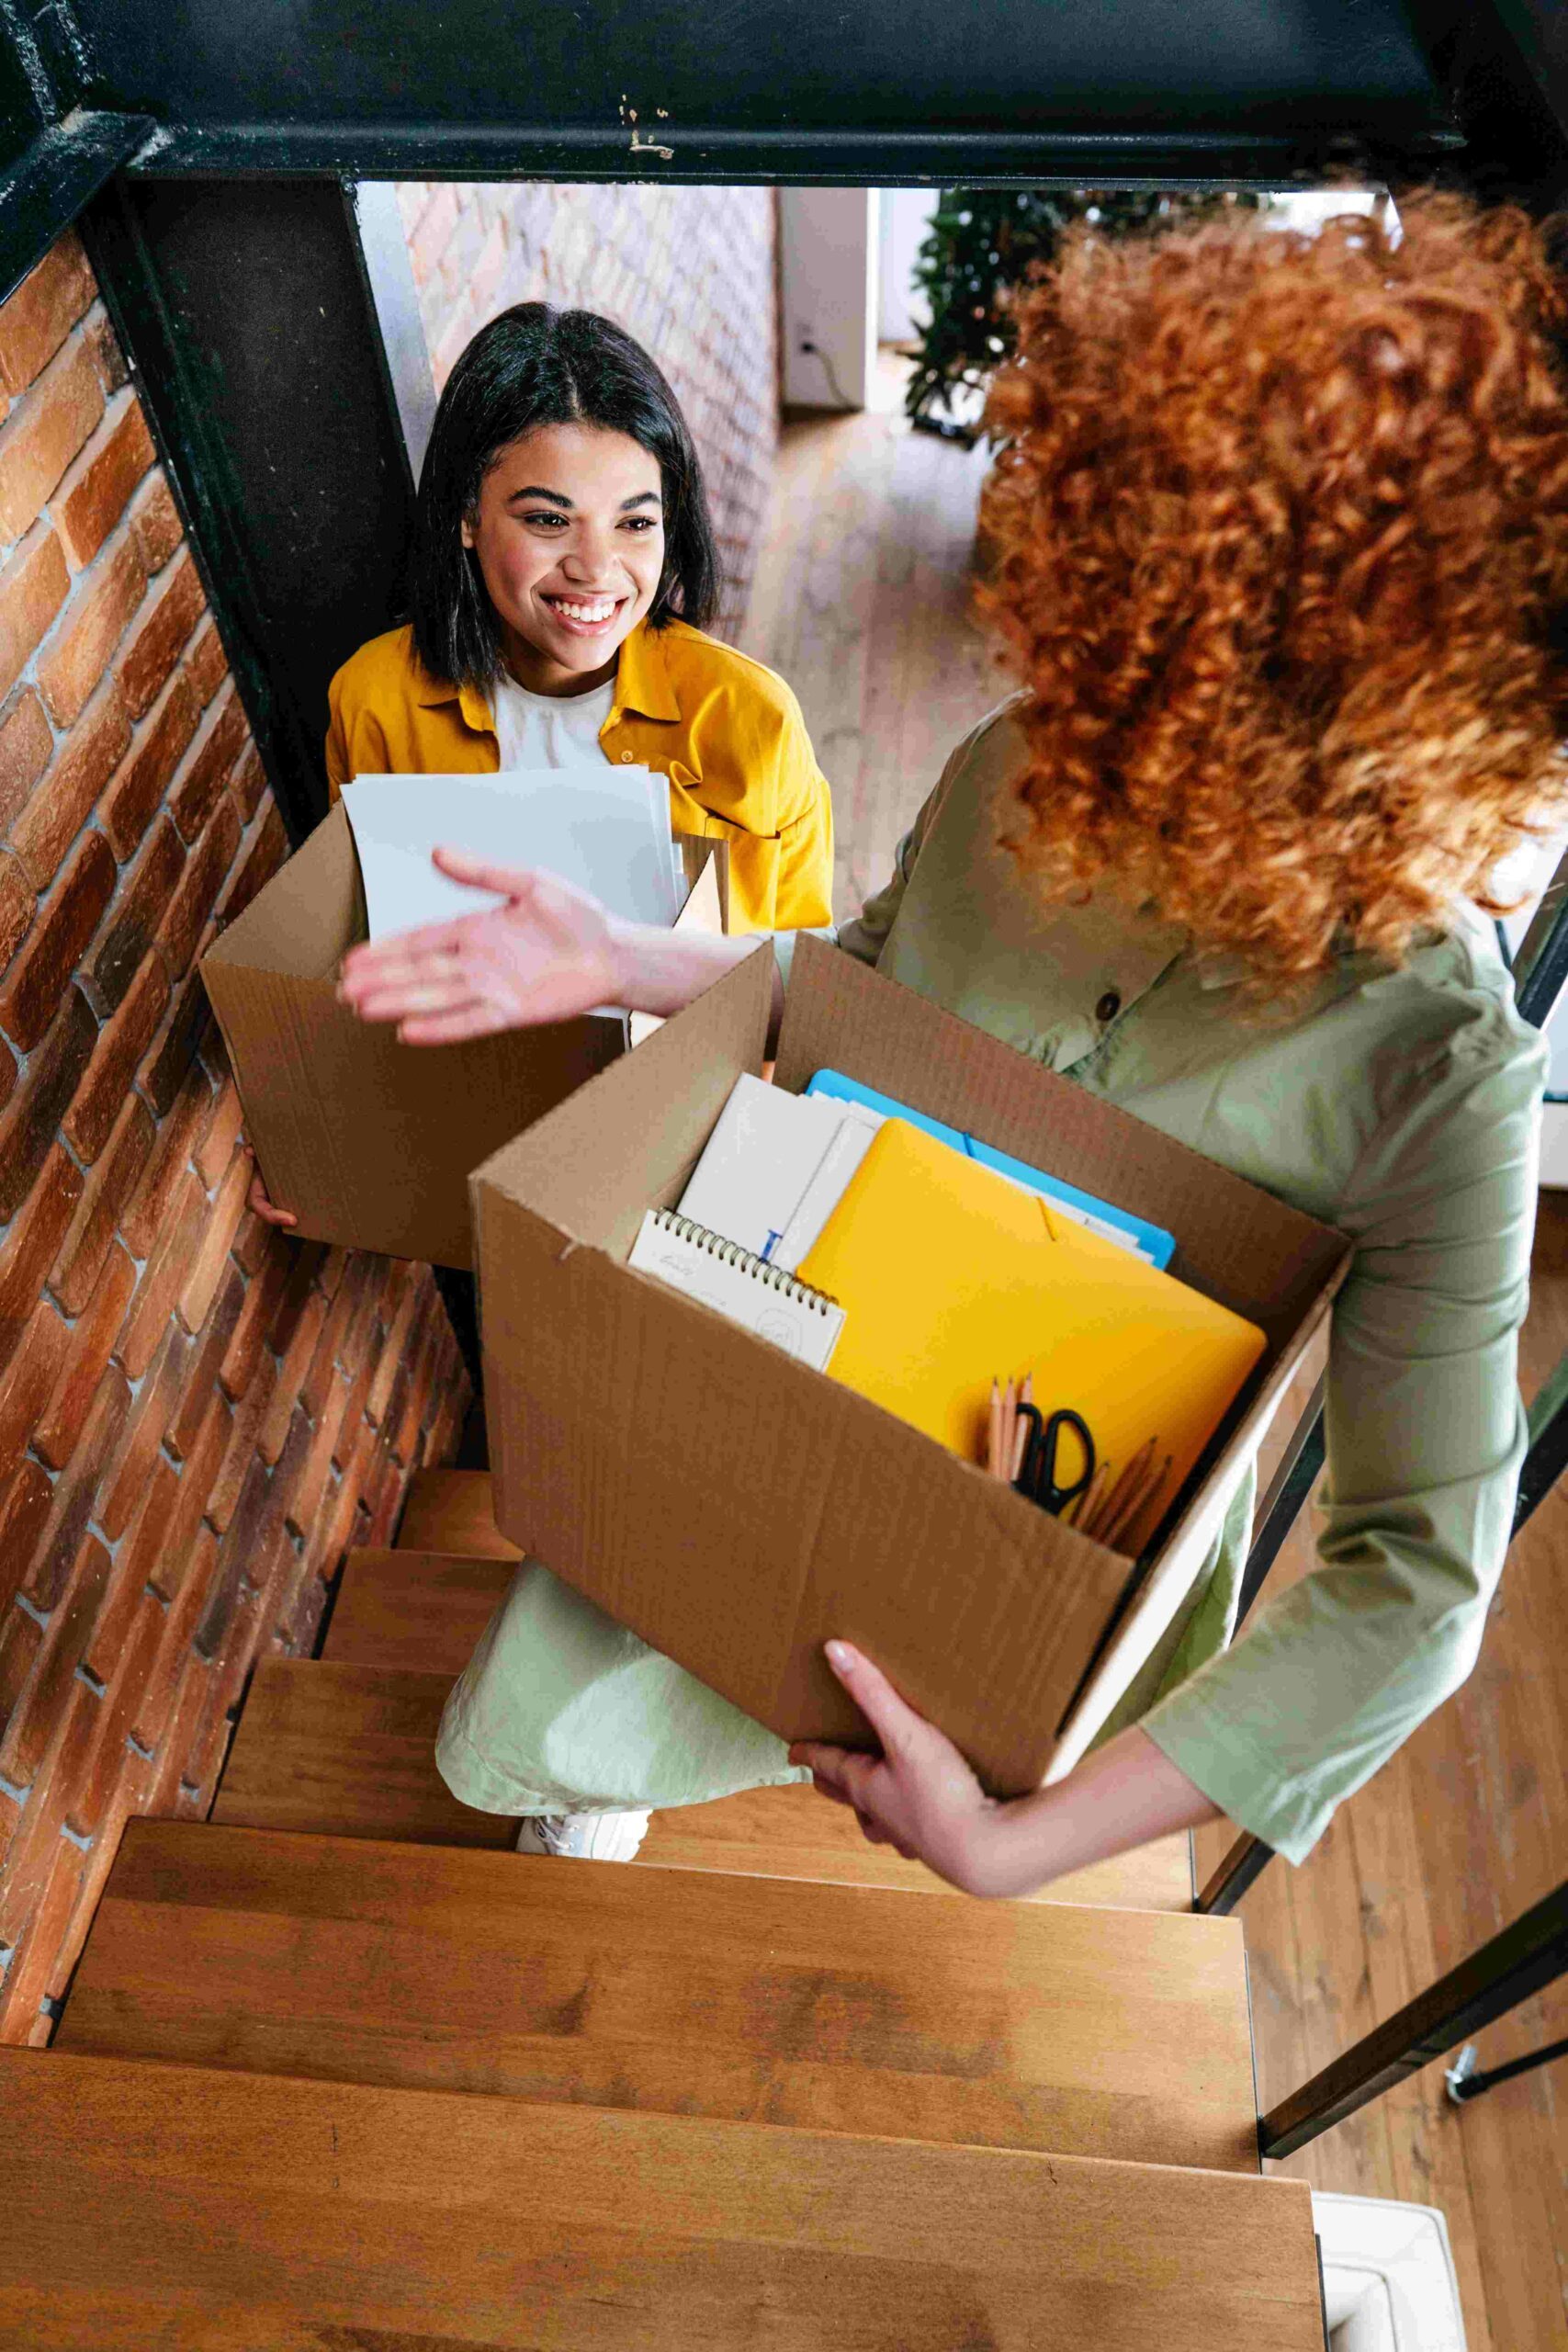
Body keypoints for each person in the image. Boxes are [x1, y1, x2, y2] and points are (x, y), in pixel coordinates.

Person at [338, 193, 1568, 1892]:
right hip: (784, 1341)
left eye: (1161, 679)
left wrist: (1018, 1844)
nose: (1072, 701)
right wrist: (621, 949)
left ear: (1385, 732)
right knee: (643, 1652)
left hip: (1042, 1517)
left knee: (889, 1689)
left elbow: (1414, 1582)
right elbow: (853, 979)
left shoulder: (1438, 1081)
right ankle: (607, 1771)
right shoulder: (1029, 759)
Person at [249, 302, 835, 1384]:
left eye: (637, 522)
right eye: (549, 518)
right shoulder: (377, 700)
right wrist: (322, 1136)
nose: (597, 569)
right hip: (480, 1136)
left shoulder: (747, 723)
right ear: (468, 516)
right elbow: (364, 945)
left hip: (686, 1154)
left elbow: (804, 981)